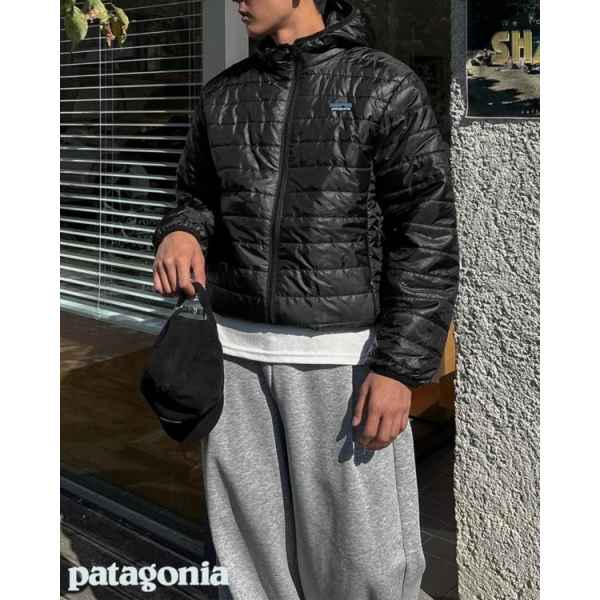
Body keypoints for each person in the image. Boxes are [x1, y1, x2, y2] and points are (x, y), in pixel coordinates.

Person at [151, 1, 460, 599]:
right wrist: (181, 231)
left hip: (343, 363)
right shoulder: (223, 94)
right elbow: (195, 197)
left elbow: (425, 234)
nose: (237, 2)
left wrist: (399, 368)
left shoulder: (384, 85)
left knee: (362, 566)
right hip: (233, 359)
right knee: (251, 562)